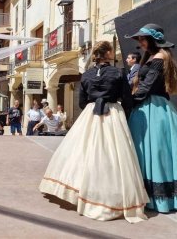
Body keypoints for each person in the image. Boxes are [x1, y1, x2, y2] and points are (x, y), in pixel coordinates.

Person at [38, 41, 148, 223]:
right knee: (112, 156)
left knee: (83, 153)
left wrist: (93, 103)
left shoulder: (87, 74)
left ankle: (79, 190)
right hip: (112, 113)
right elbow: (127, 100)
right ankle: (109, 197)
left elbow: (82, 102)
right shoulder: (119, 72)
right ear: (108, 53)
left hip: (90, 113)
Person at [126, 23, 177, 213]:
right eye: (139, 39)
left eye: (143, 38)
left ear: (153, 39)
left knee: (156, 151)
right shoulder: (155, 57)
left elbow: (147, 86)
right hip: (149, 108)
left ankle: (160, 199)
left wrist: (127, 102)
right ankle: (152, 197)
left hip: (153, 108)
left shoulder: (159, 59)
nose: (140, 42)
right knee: (150, 151)